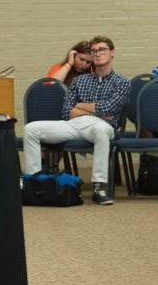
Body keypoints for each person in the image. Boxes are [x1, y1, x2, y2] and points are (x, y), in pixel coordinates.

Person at [23, 36, 130, 205]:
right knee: (31, 129)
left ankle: (98, 186)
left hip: (102, 126)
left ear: (112, 53)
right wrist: (94, 110)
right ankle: (35, 184)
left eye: (102, 49)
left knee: (101, 130)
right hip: (73, 125)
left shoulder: (122, 83)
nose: (98, 54)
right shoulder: (80, 80)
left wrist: (80, 107)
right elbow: (67, 112)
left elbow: (109, 109)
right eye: (94, 51)